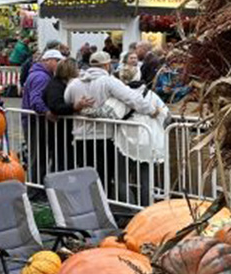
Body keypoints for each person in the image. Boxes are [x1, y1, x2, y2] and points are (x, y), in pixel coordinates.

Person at [64, 51, 161, 202]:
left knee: (85, 176)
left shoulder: (75, 83)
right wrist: (151, 110)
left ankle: (87, 207)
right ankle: (103, 210)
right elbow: (131, 98)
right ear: (107, 65)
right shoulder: (108, 81)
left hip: (80, 136)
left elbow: (67, 101)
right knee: (103, 178)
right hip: (104, 137)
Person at [21, 49, 63, 183]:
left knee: (39, 155)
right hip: (35, 121)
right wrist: (47, 113)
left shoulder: (40, 74)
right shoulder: (41, 77)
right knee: (38, 156)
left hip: (34, 121)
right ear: (48, 61)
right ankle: (35, 190)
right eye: (57, 61)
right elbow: (36, 100)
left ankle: (37, 187)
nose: (59, 64)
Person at [44, 58, 93, 171]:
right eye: (76, 68)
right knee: (62, 161)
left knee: (67, 160)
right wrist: (74, 107)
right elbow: (56, 106)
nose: (78, 71)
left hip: (64, 131)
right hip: (59, 131)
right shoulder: (55, 86)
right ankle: (58, 187)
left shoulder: (61, 84)